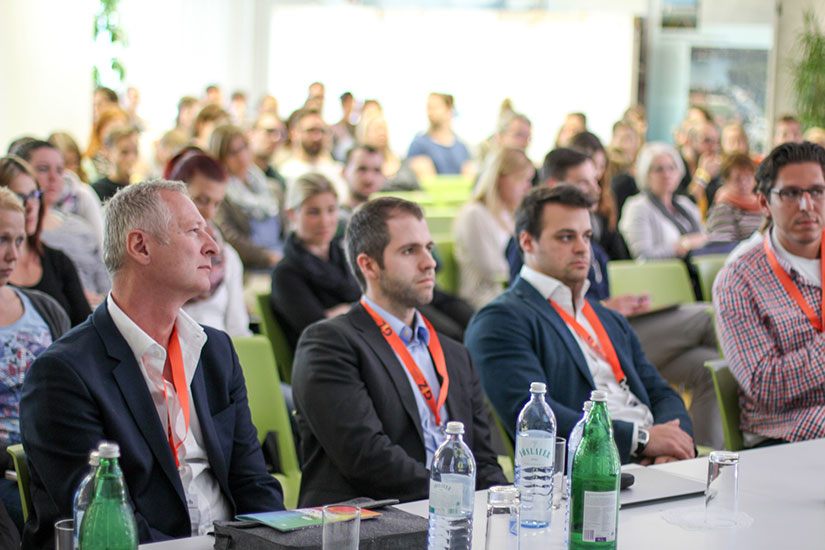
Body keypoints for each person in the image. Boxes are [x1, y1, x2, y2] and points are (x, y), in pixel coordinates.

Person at [20, 180, 284, 548]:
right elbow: (105, 527)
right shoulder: (63, 374)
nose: (213, 246)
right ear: (141, 246)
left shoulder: (215, 351)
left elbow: (253, 482)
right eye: (194, 231)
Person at [291, 196, 507, 506]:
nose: (429, 263)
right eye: (409, 251)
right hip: (373, 519)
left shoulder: (454, 354)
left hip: (454, 517)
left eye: (428, 248)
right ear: (369, 265)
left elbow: (483, 461)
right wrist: (456, 499)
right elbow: (367, 459)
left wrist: (503, 506)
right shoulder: (329, 343)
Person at [466, 185, 696, 464]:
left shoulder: (607, 317)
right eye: (566, 237)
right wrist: (640, 441)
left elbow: (660, 392)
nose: (581, 248)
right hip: (592, 470)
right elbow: (534, 418)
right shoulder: (500, 320)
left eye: (586, 236)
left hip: (656, 459)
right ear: (527, 242)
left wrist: (672, 445)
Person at [714, 141, 825, 446]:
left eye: (817, 191)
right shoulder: (738, 281)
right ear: (764, 203)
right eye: (791, 194)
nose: (806, 205)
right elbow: (765, 385)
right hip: (783, 433)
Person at [0, 187, 69, 535]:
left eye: (18, 240)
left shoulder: (45, 308)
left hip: (54, 458)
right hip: (8, 468)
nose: (12, 254)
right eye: (1, 239)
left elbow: (76, 389)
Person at [164, 148, 251, 337]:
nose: (209, 212)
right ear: (175, 195)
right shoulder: (154, 254)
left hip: (215, 351)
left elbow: (238, 329)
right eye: (201, 200)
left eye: (216, 203)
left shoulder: (227, 257)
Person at [270, 173, 360, 349]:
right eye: (313, 212)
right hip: (325, 357)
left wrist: (341, 313)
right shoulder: (285, 273)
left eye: (331, 210)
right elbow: (320, 330)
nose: (325, 221)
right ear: (292, 214)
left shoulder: (347, 257)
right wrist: (360, 310)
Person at [14, 141, 111, 302]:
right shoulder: (17, 235)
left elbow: (106, 284)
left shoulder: (80, 228)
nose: (53, 178)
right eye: (43, 169)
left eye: (59, 170)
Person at [1, 156, 91, 326]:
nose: (30, 206)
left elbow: (85, 326)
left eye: (34, 195)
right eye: (19, 198)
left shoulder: (58, 261)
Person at [454, 147, 533, 310]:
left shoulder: (510, 215)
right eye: (522, 179)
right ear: (500, 179)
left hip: (508, 293)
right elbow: (493, 269)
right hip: (484, 298)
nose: (527, 187)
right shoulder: (475, 214)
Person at [209, 124, 285, 271]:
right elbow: (230, 238)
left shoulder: (271, 187)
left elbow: (286, 229)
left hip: (280, 257)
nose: (241, 156)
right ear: (220, 158)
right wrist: (267, 257)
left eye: (244, 147)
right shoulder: (218, 196)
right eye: (232, 153)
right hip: (250, 268)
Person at [619, 142, 707, 260]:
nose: (666, 174)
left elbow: (705, 239)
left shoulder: (685, 204)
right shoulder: (637, 207)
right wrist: (683, 245)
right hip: (661, 271)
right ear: (646, 174)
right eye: (659, 169)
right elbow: (643, 257)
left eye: (671, 168)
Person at [279, 108, 346, 196]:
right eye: (311, 130)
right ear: (294, 133)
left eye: (321, 131)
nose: (317, 137)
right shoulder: (286, 173)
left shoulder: (336, 171)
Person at [407, 93, 473, 179]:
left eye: (435, 108)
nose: (430, 112)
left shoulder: (462, 147)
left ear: (449, 110)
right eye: (429, 108)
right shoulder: (419, 144)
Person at [706, 153, 764, 244]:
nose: (744, 183)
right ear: (726, 180)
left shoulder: (763, 203)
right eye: (738, 179)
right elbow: (723, 244)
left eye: (748, 177)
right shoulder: (723, 208)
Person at [338, 144, 387, 229]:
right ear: (344, 173)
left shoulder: (385, 219)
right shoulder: (333, 221)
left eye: (376, 170)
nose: (369, 178)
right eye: (362, 169)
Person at [92, 124, 140, 201]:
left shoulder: (143, 188)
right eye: (124, 152)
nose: (131, 158)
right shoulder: (96, 191)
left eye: (135, 151)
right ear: (108, 153)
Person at [248, 112, 287, 192]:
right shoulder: (237, 174)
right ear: (251, 134)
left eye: (282, 135)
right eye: (270, 131)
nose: (276, 139)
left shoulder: (278, 180)